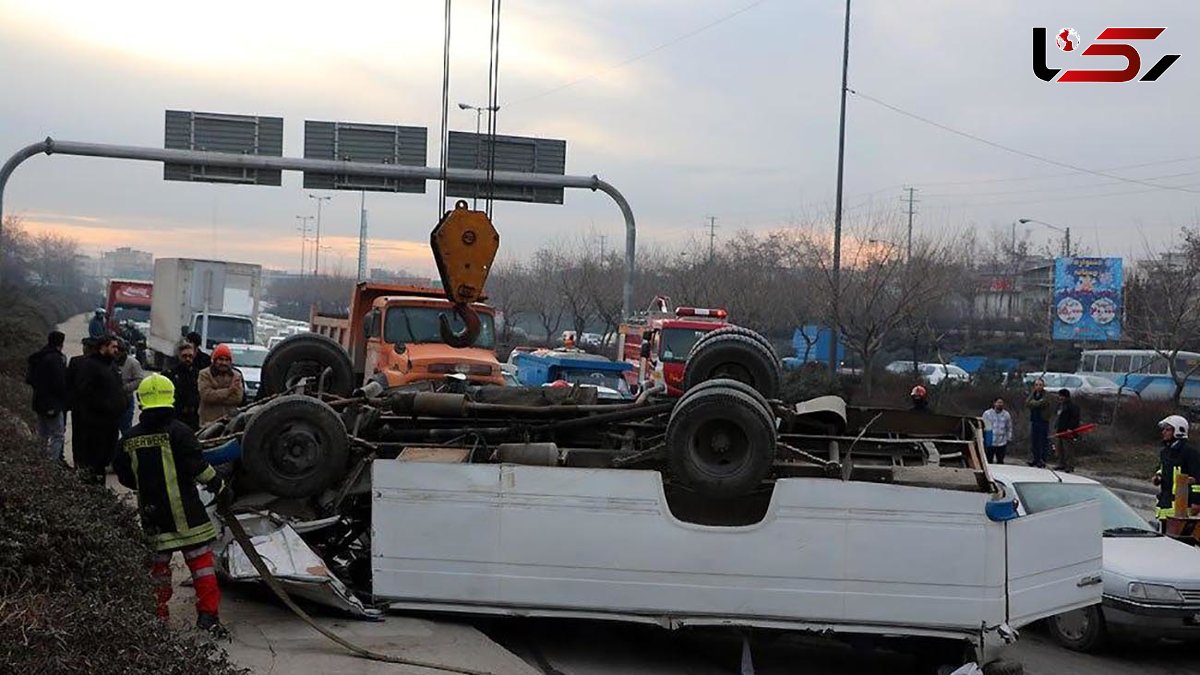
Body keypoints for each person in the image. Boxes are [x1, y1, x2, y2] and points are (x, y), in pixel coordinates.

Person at [114, 373, 227, 631]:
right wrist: (219, 485)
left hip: (153, 518)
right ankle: (208, 617)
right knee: (201, 566)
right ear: (170, 399)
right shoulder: (181, 432)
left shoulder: (129, 439)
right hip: (188, 515)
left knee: (158, 570)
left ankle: (158, 618)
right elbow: (198, 467)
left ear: (141, 401)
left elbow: (125, 476)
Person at [69, 335, 128, 483]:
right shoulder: (90, 366)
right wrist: (102, 407)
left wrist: (122, 403)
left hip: (110, 425)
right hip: (94, 427)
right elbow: (82, 394)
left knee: (102, 464)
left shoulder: (112, 367)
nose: (116, 350)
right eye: (113, 347)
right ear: (103, 347)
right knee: (92, 466)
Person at [26, 331, 68, 462]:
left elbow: (29, 379)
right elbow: (59, 383)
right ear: (60, 343)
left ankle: (39, 461)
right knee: (58, 435)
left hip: (39, 401)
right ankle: (52, 464)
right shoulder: (55, 359)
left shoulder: (39, 357)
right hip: (52, 404)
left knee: (42, 434)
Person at [1151, 415, 1200, 527]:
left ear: (1179, 431)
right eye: (1163, 429)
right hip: (1165, 505)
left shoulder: (1190, 453)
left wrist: (1197, 502)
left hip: (1182, 508)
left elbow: (1198, 478)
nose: (1163, 432)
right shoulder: (1165, 452)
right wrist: (1158, 476)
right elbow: (1163, 468)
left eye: (1167, 429)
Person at [198, 343, 244, 425]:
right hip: (208, 423)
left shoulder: (236, 375)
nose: (224, 363)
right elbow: (206, 396)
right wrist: (229, 391)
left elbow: (237, 398)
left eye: (227, 360)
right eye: (221, 359)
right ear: (214, 360)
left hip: (230, 422)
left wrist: (216, 394)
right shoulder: (204, 374)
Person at [167, 341, 202, 430]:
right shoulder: (170, 374)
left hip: (193, 417)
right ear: (179, 356)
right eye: (184, 356)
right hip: (176, 415)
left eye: (190, 356)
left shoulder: (198, 374)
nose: (187, 359)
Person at [116, 339, 145, 437]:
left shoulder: (133, 363)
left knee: (126, 429)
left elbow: (140, 379)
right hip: (111, 400)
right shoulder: (111, 361)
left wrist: (126, 388)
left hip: (126, 400)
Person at [1024, 378, 1052, 468]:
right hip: (1034, 420)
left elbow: (1040, 404)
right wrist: (1034, 401)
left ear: (1043, 386)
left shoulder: (1047, 395)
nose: (1038, 387)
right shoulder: (1033, 394)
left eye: (1040, 385)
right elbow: (1027, 403)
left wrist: (1034, 403)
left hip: (1043, 421)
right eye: (1036, 385)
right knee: (1034, 441)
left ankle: (1042, 460)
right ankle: (1035, 459)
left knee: (1043, 441)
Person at [1054, 388, 1081, 472]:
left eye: (1062, 396)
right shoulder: (1060, 406)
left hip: (1068, 431)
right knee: (1059, 449)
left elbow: (1075, 419)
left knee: (1068, 450)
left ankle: (1070, 466)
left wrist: (1071, 428)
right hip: (1060, 430)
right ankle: (1061, 464)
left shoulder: (1073, 406)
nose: (1060, 398)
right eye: (1059, 396)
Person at [981, 397, 1013, 464]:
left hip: (1002, 441)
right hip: (990, 441)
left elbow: (1009, 427)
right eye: (998, 402)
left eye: (1001, 403)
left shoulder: (1006, 414)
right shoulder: (987, 414)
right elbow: (983, 426)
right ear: (994, 403)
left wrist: (1009, 437)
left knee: (1000, 461)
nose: (1000, 404)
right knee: (988, 461)